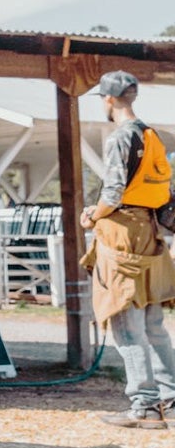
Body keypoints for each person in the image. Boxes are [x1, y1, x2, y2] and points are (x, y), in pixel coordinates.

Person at [78, 70, 175, 429]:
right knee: (153, 323)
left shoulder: (120, 136)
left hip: (121, 229)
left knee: (124, 317)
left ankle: (145, 407)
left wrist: (92, 215)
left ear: (107, 99)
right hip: (148, 228)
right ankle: (171, 400)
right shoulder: (152, 135)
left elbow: (114, 190)